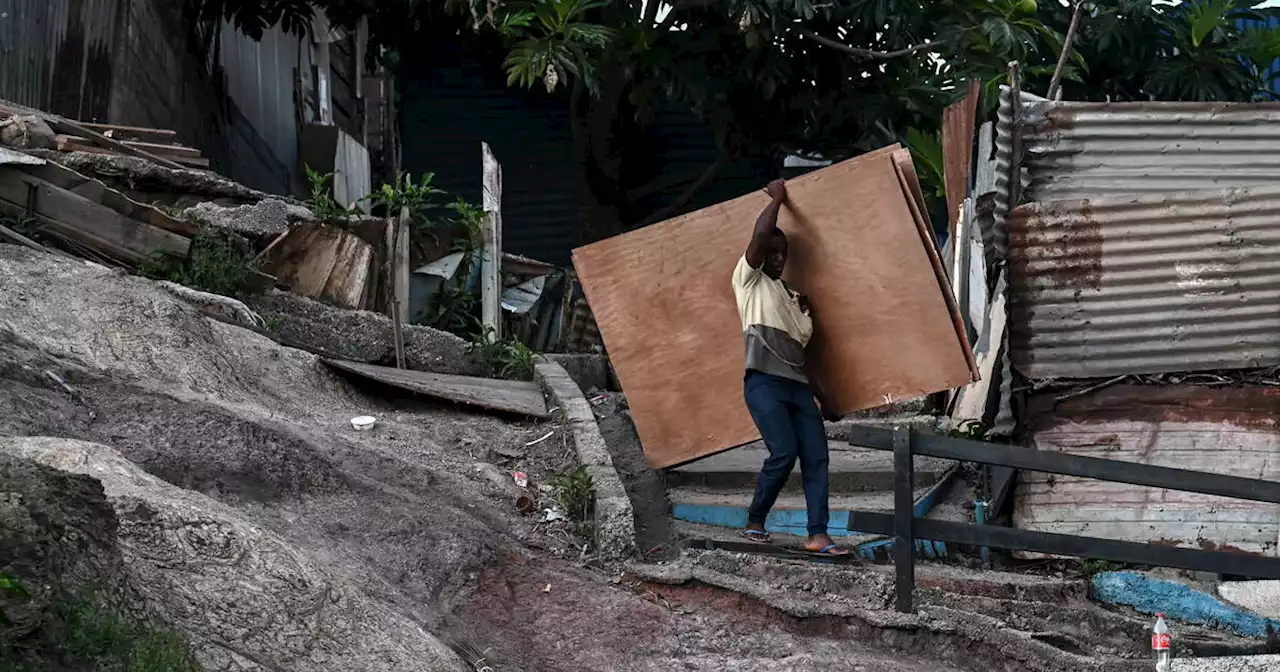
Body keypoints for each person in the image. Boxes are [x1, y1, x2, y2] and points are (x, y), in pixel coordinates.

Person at [731, 178, 848, 556]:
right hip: (764, 383)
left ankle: (818, 534)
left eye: (784, 254)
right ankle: (754, 522)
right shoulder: (748, 282)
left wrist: (824, 399)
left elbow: (799, 357)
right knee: (783, 453)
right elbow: (763, 232)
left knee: (816, 456)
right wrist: (778, 198)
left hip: (798, 388)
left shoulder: (794, 299)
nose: (779, 258)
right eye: (774, 252)